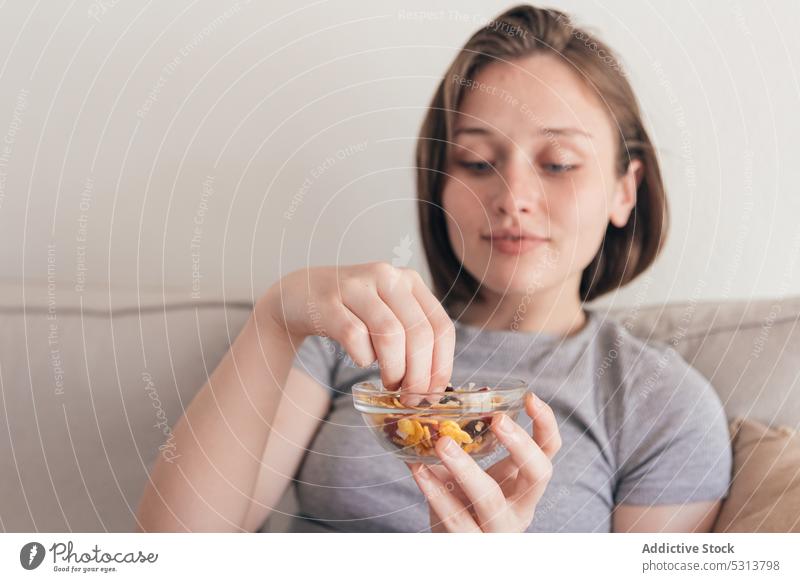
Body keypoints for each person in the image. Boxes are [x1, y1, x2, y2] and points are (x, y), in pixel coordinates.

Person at [136, 4, 732, 533]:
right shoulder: (348, 340)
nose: (512, 195)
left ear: (626, 190)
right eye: (475, 162)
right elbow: (172, 556)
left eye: (558, 162)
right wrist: (276, 318)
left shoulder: (661, 404)